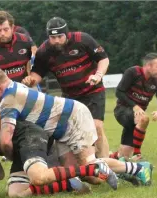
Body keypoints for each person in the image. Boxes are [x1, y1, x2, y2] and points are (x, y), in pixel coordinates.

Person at [0, 67, 153, 189]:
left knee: (89, 167)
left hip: (74, 119)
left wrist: (10, 156)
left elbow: (6, 141)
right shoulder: (14, 86)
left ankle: (139, 168)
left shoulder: (9, 100)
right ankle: (122, 169)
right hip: (61, 127)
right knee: (79, 174)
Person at [0, 111, 116, 197]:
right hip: (20, 151)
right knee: (16, 194)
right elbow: (0, 174)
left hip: (29, 137)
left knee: (40, 177)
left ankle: (92, 168)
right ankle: (68, 182)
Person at [22, 17, 110, 158]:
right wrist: (30, 80)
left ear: (67, 34)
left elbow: (103, 59)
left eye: (59, 36)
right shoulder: (44, 51)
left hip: (92, 91)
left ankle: (107, 166)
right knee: (72, 132)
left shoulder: (83, 39)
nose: (56, 40)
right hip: (70, 97)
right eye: (52, 37)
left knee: (97, 127)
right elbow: (37, 73)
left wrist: (98, 75)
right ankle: (88, 165)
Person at [110, 53, 157, 160]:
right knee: (144, 118)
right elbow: (119, 92)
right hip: (122, 110)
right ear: (148, 66)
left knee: (124, 157)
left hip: (137, 117)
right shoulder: (133, 72)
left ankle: (110, 157)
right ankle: (137, 153)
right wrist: (135, 106)